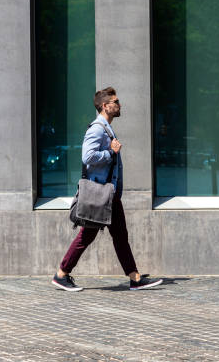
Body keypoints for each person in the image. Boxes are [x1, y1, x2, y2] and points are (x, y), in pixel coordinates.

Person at [52, 87, 163, 291]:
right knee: (89, 236)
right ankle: (61, 274)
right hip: (100, 195)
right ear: (105, 106)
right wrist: (110, 153)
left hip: (108, 195)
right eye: (116, 101)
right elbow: (87, 157)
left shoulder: (106, 128)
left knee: (119, 235)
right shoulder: (97, 129)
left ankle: (134, 277)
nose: (119, 105)